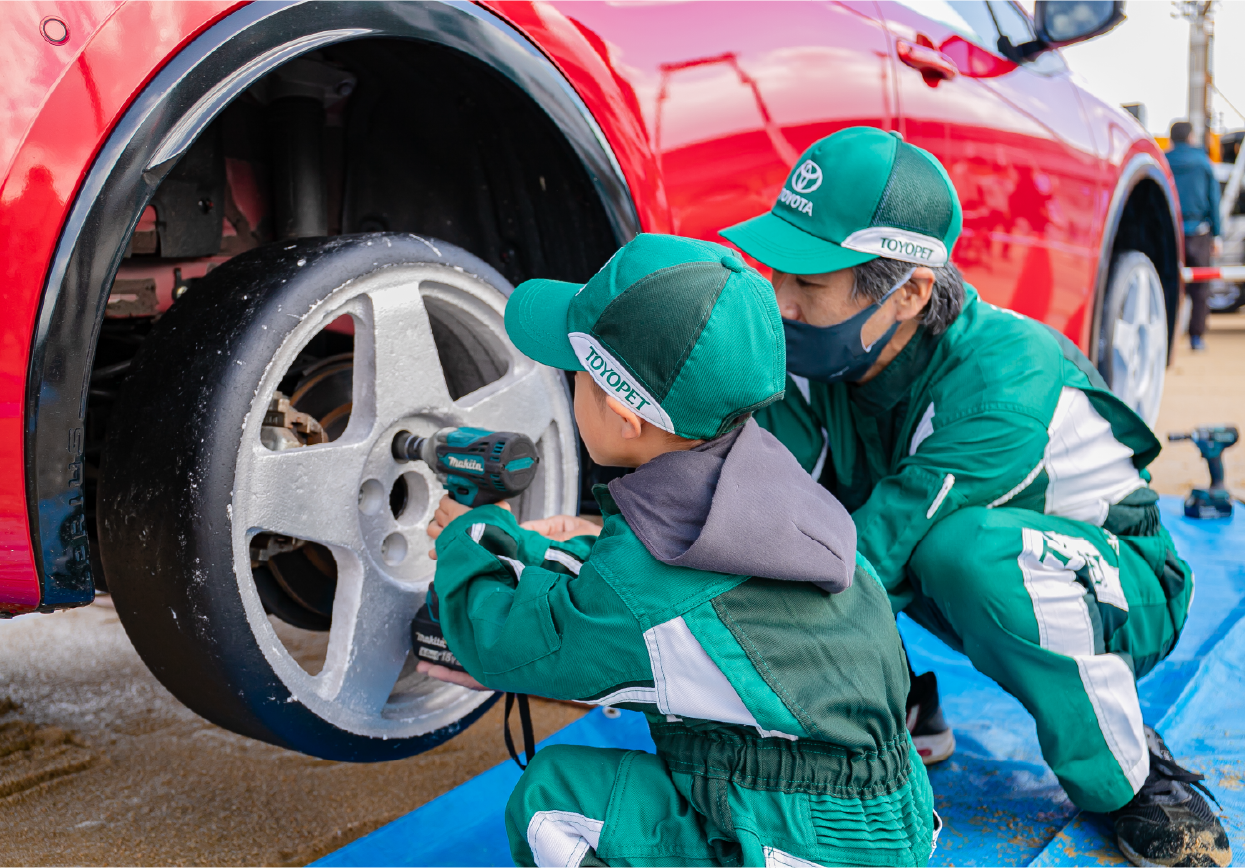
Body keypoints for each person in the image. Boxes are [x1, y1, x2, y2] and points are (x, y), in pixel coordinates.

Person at [719, 126, 1231, 868]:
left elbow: (873, 552)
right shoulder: (828, 351)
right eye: (776, 272)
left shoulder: (1002, 379)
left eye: (808, 282)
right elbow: (762, 499)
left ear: (910, 292)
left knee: (955, 551)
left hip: (1117, 593)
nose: (780, 303)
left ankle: (1130, 776)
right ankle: (897, 702)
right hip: (940, 562)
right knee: (809, 502)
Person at [419, 233, 939, 868]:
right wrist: (524, 548)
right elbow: (636, 593)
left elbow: (510, 646)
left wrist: (465, 540)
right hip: (884, 818)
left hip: (805, 841)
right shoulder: (774, 489)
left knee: (554, 803)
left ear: (621, 414)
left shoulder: (641, 586)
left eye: (574, 375)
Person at [1166, 120, 1222, 351]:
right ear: (1190, 137)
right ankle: (1196, 338)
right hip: (1199, 233)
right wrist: (1217, 234)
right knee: (1201, 288)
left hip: (1171, 232)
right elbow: (1214, 201)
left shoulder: (1162, 160)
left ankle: (1166, 338)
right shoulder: (1203, 162)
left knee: (1167, 284)